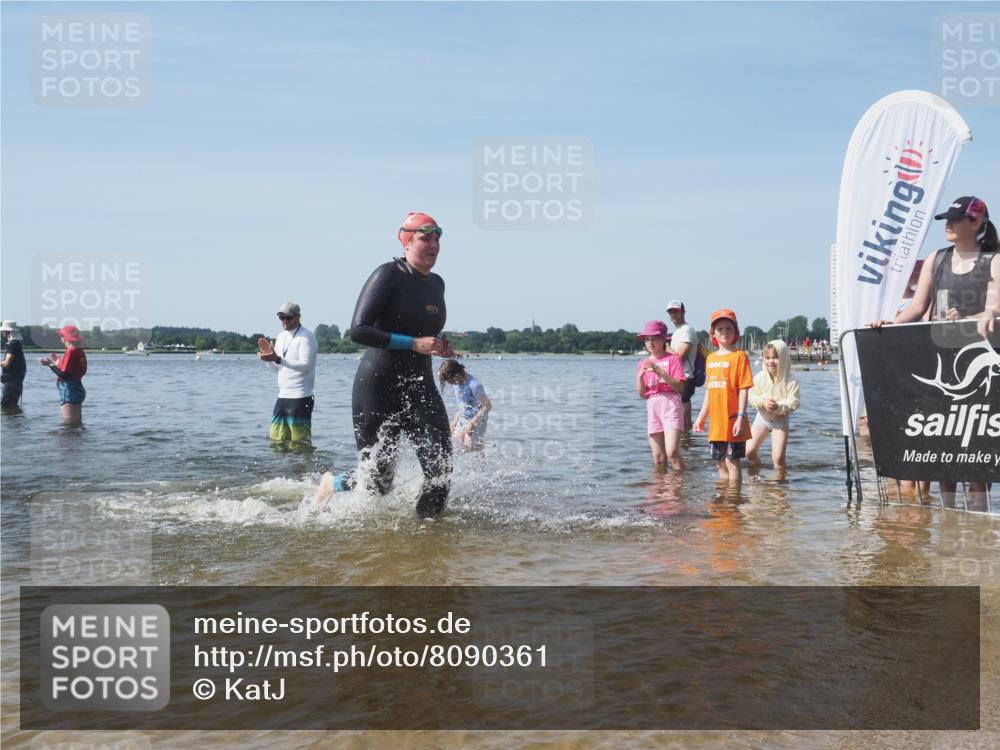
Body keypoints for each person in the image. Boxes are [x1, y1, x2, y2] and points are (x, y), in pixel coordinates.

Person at [316, 212, 454, 518]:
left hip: (420, 387)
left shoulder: (437, 284)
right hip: (378, 387)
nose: (433, 244)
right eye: (425, 237)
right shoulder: (388, 274)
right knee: (379, 481)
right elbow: (359, 329)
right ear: (406, 241)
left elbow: (425, 327)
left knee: (440, 469)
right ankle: (331, 484)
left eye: (437, 238)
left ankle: (428, 544)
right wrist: (413, 343)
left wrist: (440, 343)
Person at [873, 195, 998, 507]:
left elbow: (993, 307)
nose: (949, 224)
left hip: (980, 363)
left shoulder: (993, 260)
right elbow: (917, 307)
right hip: (940, 359)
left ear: (976, 223)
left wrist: (976, 317)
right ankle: (948, 517)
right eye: (947, 219)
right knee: (944, 443)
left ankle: (980, 517)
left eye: (956, 219)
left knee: (974, 443)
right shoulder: (936, 258)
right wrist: (888, 325)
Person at [693, 309, 753, 484]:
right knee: (720, 462)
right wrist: (701, 416)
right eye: (720, 329)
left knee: (732, 461)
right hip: (716, 422)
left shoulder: (740, 356)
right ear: (713, 333)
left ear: (735, 332)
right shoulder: (710, 359)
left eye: (728, 328)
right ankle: (724, 503)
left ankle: (734, 500)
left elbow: (744, 389)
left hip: (734, 419)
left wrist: (741, 417)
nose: (724, 332)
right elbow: (710, 391)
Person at [257, 302, 318, 450]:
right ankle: (283, 471)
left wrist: (278, 359)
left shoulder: (306, 337)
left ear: (298, 317)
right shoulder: (281, 337)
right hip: (283, 396)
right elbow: (277, 369)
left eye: (289, 318)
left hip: (300, 396)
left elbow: (305, 365)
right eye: (281, 318)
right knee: (277, 442)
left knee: (300, 444)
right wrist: (268, 359)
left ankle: (304, 471)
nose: (285, 321)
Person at [636, 320, 686, 471]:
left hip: (670, 404)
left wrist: (661, 372)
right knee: (658, 458)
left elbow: (679, 387)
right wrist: (639, 378)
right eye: (647, 339)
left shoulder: (673, 359)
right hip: (653, 406)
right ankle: (661, 490)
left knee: (672, 453)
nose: (650, 342)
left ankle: (680, 485)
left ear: (663, 339)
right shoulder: (643, 363)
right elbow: (642, 395)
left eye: (654, 338)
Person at [746, 339, 800, 471]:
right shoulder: (759, 377)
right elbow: (751, 396)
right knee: (749, 451)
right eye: (768, 358)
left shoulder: (791, 380)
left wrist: (779, 406)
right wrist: (763, 401)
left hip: (780, 421)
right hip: (762, 419)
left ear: (784, 358)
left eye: (775, 358)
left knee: (778, 458)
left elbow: (794, 401)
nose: (771, 361)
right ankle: (756, 471)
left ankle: (779, 486)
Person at [439, 359, 492, 451]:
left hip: (477, 420)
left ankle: (481, 462)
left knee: (472, 449)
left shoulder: (474, 385)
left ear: (457, 373)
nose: (450, 383)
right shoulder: (457, 383)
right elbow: (463, 405)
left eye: (450, 380)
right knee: (455, 447)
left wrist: (472, 423)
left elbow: (487, 406)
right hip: (463, 418)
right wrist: (455, 421)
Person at [38, 324, 87, 425]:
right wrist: (57, 362)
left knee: (69, 425)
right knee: (76, 423)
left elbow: (65, 375)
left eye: (61, 335)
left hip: (69, 390)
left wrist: (50, 364)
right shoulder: (79, 351)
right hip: (77, 388)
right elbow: (73, 369)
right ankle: (80, 440)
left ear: (65, 338)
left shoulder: (71, 352)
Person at [666, 300, 698, 431]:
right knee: (679, 418)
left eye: (676, 312)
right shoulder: (677, 332)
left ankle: (685, 445)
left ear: (683, 312)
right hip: (677, 378)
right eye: (671, 312)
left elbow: (679, 357)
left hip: (686, 377)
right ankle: (686, 445)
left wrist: (665, 347)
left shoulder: (687, 330)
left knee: (684, 421)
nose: (673, 315)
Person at [1, 321, 27, 409]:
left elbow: (6, 363)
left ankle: (13, 423)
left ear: (7, 332)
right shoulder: (16, 344)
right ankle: (16, 422)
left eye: (3, 331)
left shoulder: (13, 344)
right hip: (15, 382)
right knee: (12, 408)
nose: (2, 333)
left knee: (6, 407)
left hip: (12, 383)